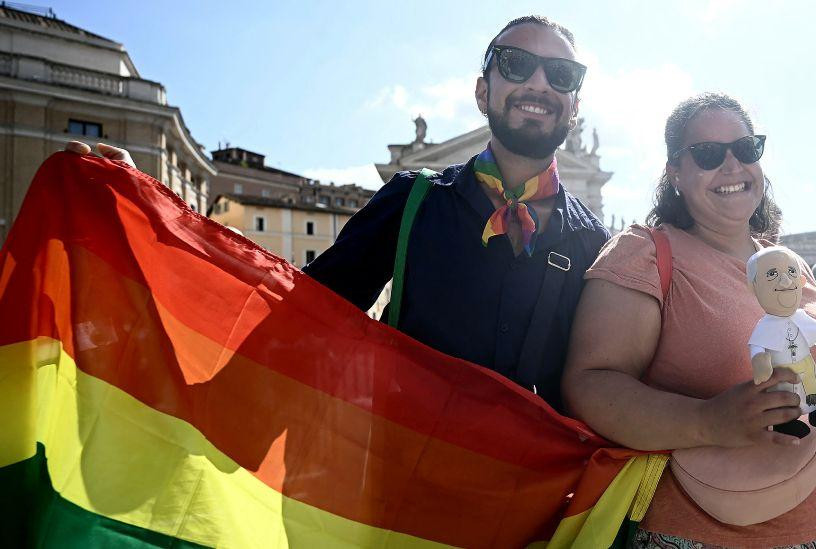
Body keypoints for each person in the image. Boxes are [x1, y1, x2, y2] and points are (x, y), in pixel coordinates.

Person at [64, 17, 608, 411]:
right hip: (402, 490)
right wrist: (149, 211)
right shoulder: (412, 198)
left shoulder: (595, 244)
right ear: (482, 92)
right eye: (517, 65)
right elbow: (298, 311)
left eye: (561, 74)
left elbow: (597, 383)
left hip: (537, 513)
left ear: (576, 104)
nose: (539, 84)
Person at [563, 93, 816, 548]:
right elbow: (590, 382)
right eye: (708, 154)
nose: (732, 166)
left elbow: (810, 359)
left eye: (746, 149)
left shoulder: (785, 262)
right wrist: (708, 420)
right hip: (703, 532)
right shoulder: (645, 253)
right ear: (675, 173)